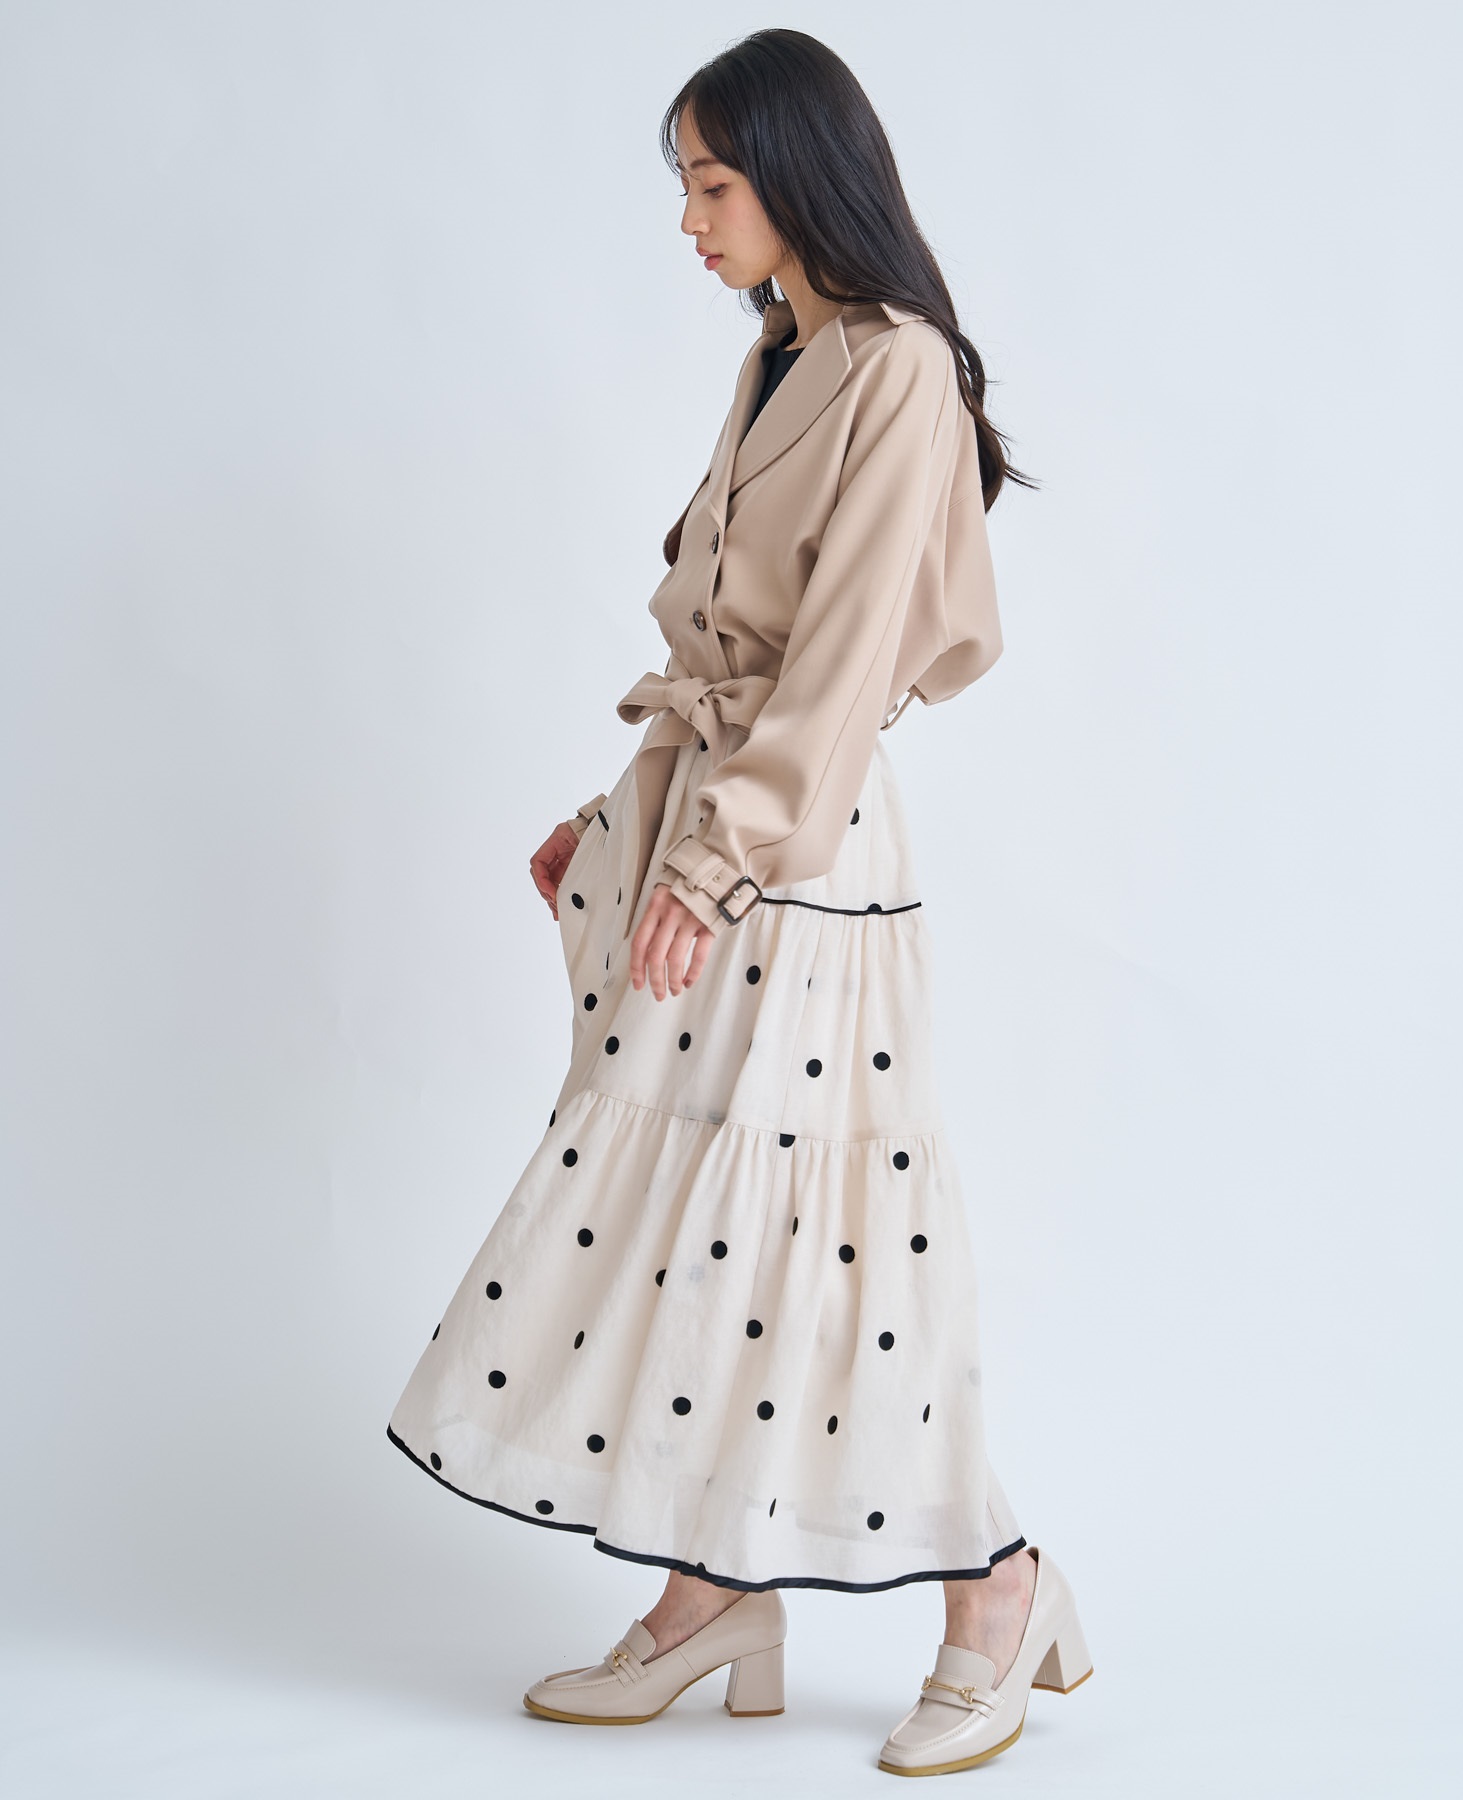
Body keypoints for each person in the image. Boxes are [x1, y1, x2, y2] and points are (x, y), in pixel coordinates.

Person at [386, 27, 1092, 1778]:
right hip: (724, 831)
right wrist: (613, 826)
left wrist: (710, 860)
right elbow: (722, 648)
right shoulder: (785, 356)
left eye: (711, 184)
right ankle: (712, 1596)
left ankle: (999, 1590)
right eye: (685, 187)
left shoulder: (898, 370)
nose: (690, 220)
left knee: (832, 1248)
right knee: (707, 1237)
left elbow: (840, 669)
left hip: (800, 861)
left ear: (798, 175)